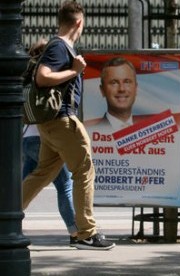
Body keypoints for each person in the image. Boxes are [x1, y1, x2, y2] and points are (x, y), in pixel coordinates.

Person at [22, 0, 115, 250]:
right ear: (79, 23)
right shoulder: (60, 47)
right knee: (84, 169)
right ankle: (86, 233)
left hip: (49, 124)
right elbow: (43, 77)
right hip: (63, 121)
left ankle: (5, 216)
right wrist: (75, 71)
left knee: (43, 173)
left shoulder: (59, 46)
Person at [22, 38, 78, 246]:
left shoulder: (28, 75)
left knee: (27, 184)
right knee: (65, 186)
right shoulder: (48, 75)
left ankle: (7, 223)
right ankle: (76, 232)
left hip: (27, 139)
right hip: (45, 137)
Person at [92, 57, 138, 131]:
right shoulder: (91, 133)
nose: (121, 89)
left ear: (136, 88)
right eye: (114, 83)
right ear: (102, 90)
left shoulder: (150, 134)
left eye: (127, 82)